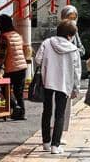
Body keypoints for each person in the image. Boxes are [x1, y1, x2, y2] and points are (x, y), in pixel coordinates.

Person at [35, 21, 81, 154]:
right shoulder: (73, 50)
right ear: (69, 35)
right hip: (64, 84)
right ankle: (56, 145)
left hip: (47, 81)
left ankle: (46, 142)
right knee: (60, 114)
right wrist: (76, 89)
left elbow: (38, 60)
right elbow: (77, 72)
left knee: (47, 111)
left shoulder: (47, 42)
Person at [0, 13, 28, 121]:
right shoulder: (17, 35)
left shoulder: (5, 37)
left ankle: (15, 106)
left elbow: (2, 54)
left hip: (12, 67)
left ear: (2, 25)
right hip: (22, 67)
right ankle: (21, 113)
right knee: (19, 91)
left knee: (4, 88)